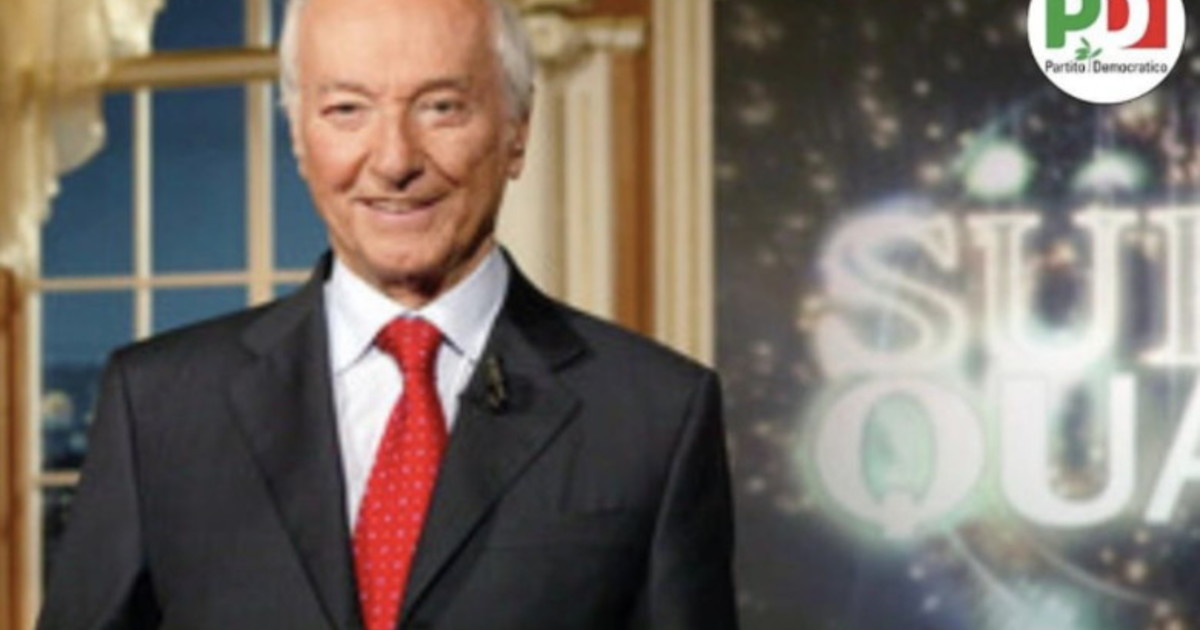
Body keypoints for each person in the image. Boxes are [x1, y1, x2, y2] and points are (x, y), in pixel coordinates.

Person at [36, 0, 737, 628]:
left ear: (517, 130)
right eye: (348, 109)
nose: (395, 160)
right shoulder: (158, 406)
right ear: (299, 137)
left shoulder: (655, 415)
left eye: (441, 107)